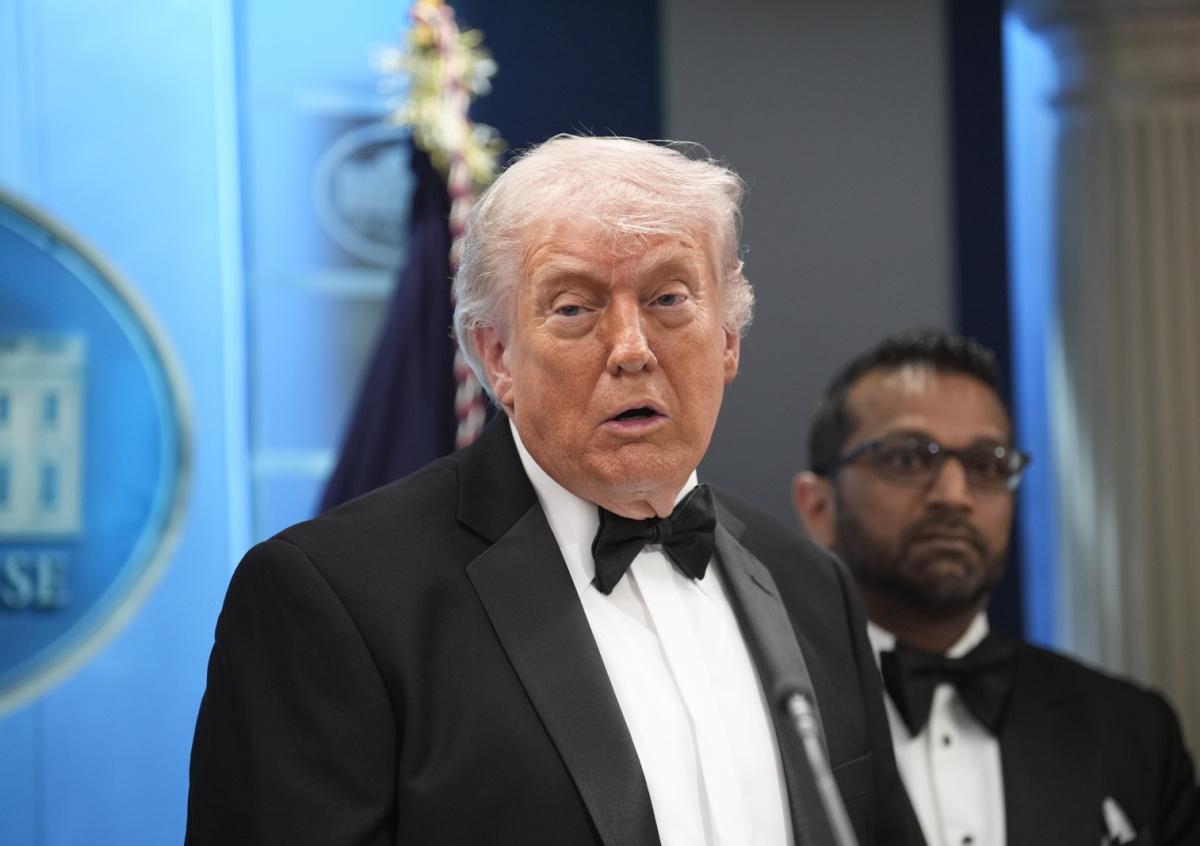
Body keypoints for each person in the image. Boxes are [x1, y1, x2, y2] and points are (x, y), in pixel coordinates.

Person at [185, 135, 919, 845]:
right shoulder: (333, 599)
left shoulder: (810, 586)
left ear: (728, 340)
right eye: (574, 307)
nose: (632, 349)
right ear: (496, 355)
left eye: (669, 298)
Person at [793, 328, 1200, 846]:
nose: (954, 494)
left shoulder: (1132, 731)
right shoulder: (762, 717)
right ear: (818, 507)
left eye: (987, 465)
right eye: (908, 458)